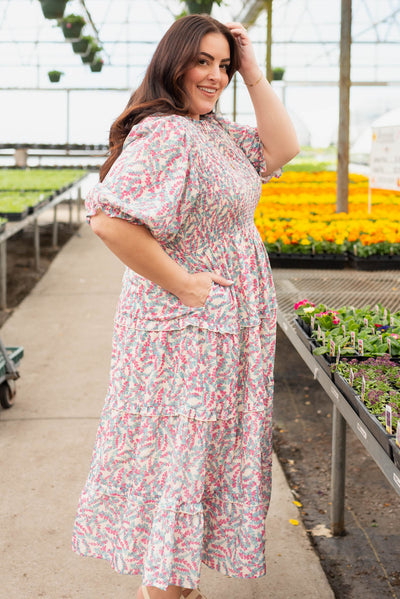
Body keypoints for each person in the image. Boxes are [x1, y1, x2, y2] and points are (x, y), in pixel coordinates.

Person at [72, 13, 299, 599]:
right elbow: (108, 221)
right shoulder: (166, 132)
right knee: (180, 452)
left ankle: (176, 584)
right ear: (172, 61)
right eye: (202, 61)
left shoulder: (214, 131)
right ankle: (166, 591)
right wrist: (187, 286)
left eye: (221, 65)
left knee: (199, 453)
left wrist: (251, 70)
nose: (214, 76)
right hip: (187, 328)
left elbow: (285, 147)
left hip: (220, 324)